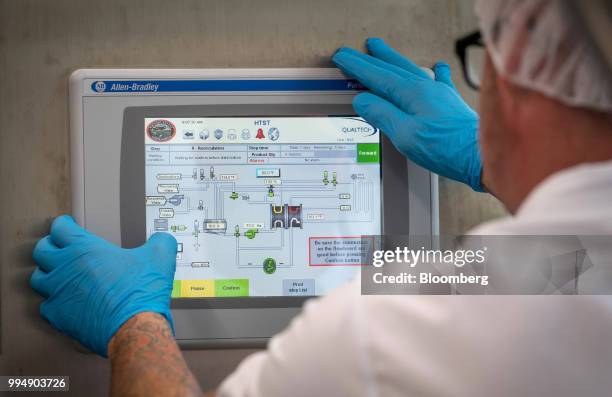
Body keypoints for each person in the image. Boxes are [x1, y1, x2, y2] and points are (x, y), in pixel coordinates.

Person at [30, 0, 612, 396]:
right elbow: (571, 264)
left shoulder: (400, 321)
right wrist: (493, 164)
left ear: (521, 80)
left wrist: (133, 323)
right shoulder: (568, 267)